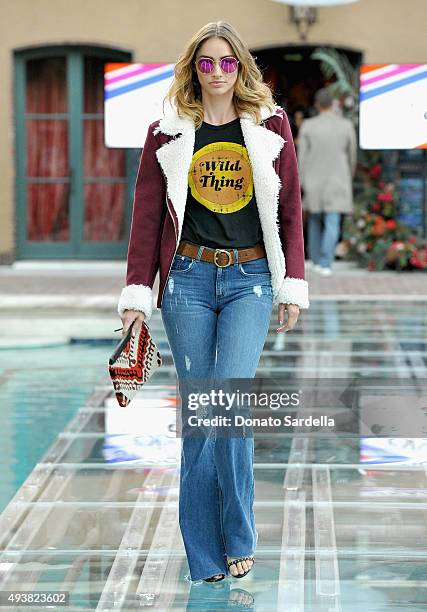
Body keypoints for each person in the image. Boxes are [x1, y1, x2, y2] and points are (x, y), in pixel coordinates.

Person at [117, 20, 309, 583]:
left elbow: (291, 209)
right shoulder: (167, 132)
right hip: (187, 282)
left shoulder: (270, 126)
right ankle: (205, 556)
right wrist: (136, 294)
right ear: (193, 69)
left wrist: (290, 282)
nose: (218, 71)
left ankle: (239, 535)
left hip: (249, 279)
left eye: (228, 62)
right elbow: (146, 216)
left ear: (241, 68)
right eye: (207, 62)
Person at [297, 88, 357, 275]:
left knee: (314, 220)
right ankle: (326, 262)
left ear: (316, 105)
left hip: (313, 179)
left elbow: (301, 157)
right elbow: (352, 156)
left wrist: (300, 180)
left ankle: (314, 260)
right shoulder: (346, 126)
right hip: (338, 178)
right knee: (332, 221)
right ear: (332, 104)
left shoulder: (308, 125)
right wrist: (349, 175)